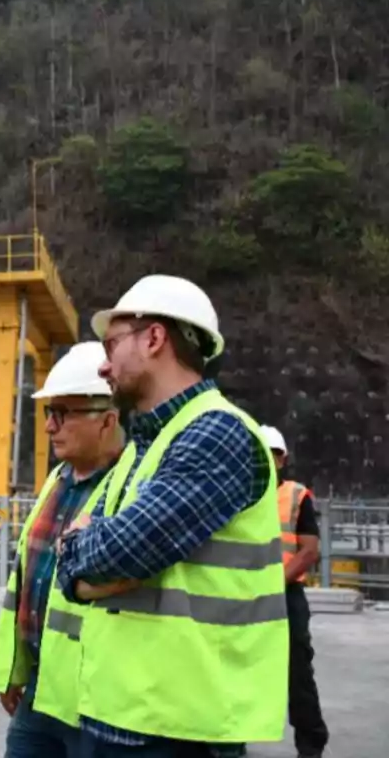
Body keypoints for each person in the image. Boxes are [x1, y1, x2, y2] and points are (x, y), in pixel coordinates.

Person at [56, 274, 288, 758]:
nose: (103, 365)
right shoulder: (149, 444)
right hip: (125, 713)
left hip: (181, 728)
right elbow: (76, 560)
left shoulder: (217, 435)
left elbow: (112, 554)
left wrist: (87, 562)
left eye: (112, 344)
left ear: (155, 338)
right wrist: (83, 566)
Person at [0, 342, 124, 758]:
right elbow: (26, 582)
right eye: (49, 414)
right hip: (40, 693)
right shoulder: (57, 481)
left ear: (107, 420)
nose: (50, 427)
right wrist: (15, 669)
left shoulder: (132, 487)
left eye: (61, 414)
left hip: (97, 704)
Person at [261, 425, 329, 758]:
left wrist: (272, 584)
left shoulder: (296, 495)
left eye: (273, 454)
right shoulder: (238, 497)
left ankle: (311, 745)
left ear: (283, 459)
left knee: (298, 672)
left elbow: (309, 550)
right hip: (242, 596)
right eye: (261, 453)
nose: (267, 460)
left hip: (285, 596)